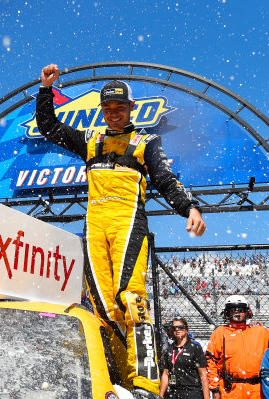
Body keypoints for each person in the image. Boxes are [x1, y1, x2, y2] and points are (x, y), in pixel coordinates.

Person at [36, 64, 206, 398]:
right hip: (95, 227)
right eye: (108, 109)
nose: (114, 114)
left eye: (120, 108)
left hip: (129, 224)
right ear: (102, 111)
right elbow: (49, 127)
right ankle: (116, 381)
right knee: (102, 308)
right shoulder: (90, 140)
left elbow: (165, 180)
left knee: (132, 300)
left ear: (130, 108)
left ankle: (144, 383)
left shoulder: (146, 141)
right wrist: (45, 89)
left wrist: (190, 208)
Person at [206, 295, 269, 399]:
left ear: (247, 312)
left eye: (240, 309)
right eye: (232, 309)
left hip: (257, 390)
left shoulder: (261, 332)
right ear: (227, 313)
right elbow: (210, 361)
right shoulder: (219, 333)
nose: (236, 312)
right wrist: (214, 388)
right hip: (230, 390)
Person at [160, 318, 209, 399]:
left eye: (180, 327)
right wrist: (161, 395)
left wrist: (206, 397)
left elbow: (203, 375)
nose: (177, 329)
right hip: (173, 392)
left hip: (191, 391)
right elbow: (166, 373)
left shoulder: (195, 348)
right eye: (174, 328)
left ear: (187, 329)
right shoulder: (169, 349)